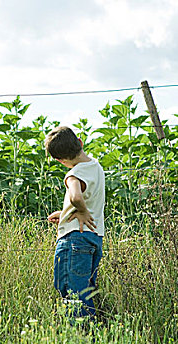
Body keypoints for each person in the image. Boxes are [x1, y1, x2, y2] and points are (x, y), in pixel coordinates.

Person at [45, 126, 105, 320]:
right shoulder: (95, 166)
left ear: (60, 161)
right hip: (93, 237)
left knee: (72, 292)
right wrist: (65, 214)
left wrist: (81, 210)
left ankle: (82, 334)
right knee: (84, 289)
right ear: (80, 142)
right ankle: (92, 331)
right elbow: (88, 196)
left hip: (74, 240)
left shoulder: (74, 174)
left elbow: (77, 197)